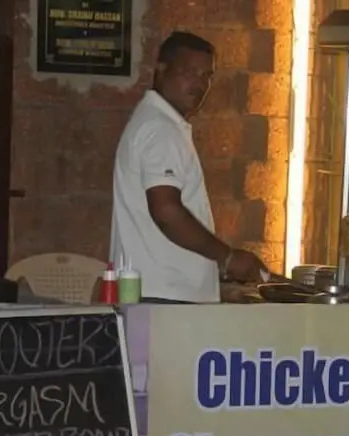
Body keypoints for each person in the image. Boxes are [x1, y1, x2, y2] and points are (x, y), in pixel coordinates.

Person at [109, 31, 267, 304]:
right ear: (161, 70)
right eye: (189, 72)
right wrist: (227, 257)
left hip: (159, 293)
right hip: (164, 296)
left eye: (207, 75)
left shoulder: (158, 122)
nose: (200, 83)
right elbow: (166, 210)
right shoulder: (160, 128)